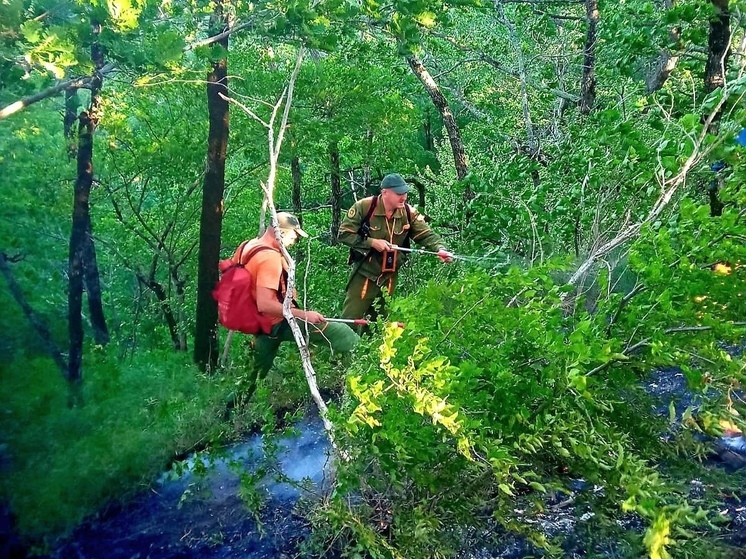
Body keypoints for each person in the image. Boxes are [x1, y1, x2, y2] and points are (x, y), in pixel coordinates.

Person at [237, 212, 359, 395]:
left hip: (259, 326)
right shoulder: (269, 258)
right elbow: (265, 304)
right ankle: (362, 389)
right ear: (282, 232)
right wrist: (305, 315)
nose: (295, 240)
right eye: (294, 235)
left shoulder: (248, 246)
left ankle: (229, 413)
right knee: (343, 334)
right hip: (277, 322)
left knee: (252, 376)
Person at [338, 173, 453, 324]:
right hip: (366, 272)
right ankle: (343, 347)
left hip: (389, 275)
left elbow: (426, 234)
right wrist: (372, 242)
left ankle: (373, 347)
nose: (403, 197)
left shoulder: (408, 212)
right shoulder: (364, 207)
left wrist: (440, 248)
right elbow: (344, 234)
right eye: (399, 193)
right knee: (350, 320)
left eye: (405, 193)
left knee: (380, 322)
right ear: (384, 192)